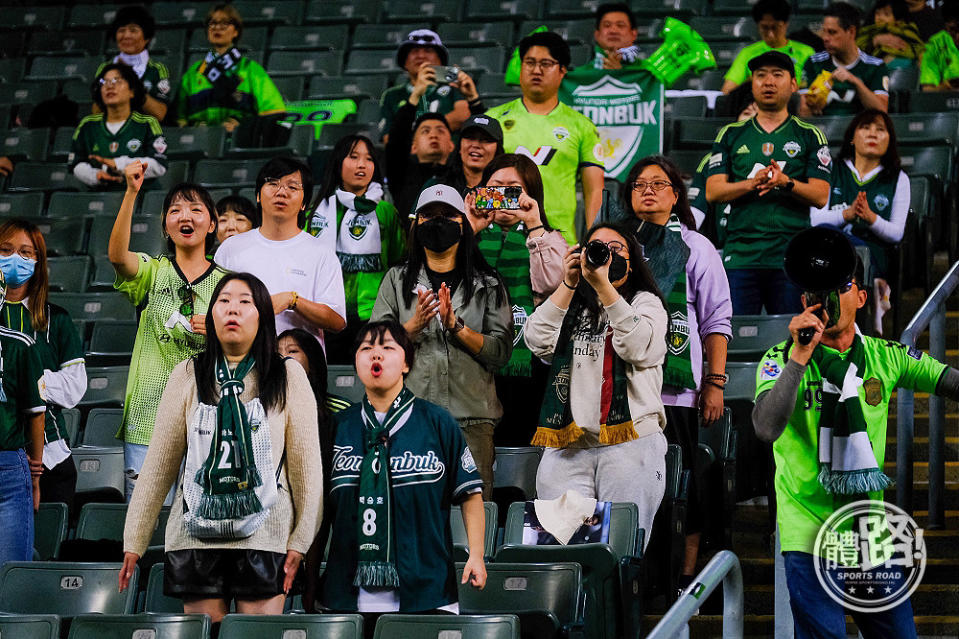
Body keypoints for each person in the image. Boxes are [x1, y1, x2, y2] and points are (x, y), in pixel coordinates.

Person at [752, 255, 959, 639]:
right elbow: (765, 427)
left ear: (862, 298)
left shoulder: (885, 357)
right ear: (805, 303)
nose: (830, 297)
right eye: (819, 290)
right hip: (807, 530)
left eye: (841, 287)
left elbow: (949, 380)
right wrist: (800, 355)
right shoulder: (780, 359)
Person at [119, 272, 322, 623]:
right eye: (224, 301)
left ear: (263, 316)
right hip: (195, 535)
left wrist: (300, 541)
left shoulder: (287, 375)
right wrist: (134, 541)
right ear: (211, 315)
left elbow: (307, 470)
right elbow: (158, 465)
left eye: (245, 302)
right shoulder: (186, 374)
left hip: (266, 535)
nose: (233, 309)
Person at [315, 320, 486, 628]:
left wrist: (476, 554)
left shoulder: (438, 423)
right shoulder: (336, 428)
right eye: (366, 348)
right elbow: (319, 510)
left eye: (387, 348)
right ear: (355, 362)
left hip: (427, 590)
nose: (375, 355)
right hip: (346, 593)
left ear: (407, 363)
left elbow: (470, 493)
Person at [621, 156, 732, 589]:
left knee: (685, 488)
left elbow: (716, 320)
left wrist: (715, 383)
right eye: (639, 184)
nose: (648, 190)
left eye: (659, 184)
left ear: (675, 195)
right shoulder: (615, 245)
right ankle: (638, 579)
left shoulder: (696, 247)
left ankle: (684, 577)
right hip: (625, 391)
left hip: (678, 394)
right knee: (632, 489)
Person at [524, 222, 668, 552]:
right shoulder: (570, 304)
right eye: (597, 247)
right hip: (568, 443)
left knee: (619, 552)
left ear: (633, 261)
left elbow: (637, 347)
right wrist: (568, 282)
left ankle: (616, 606)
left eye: (617, 248)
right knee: (560, 550)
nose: (606, 255)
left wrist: (605, 288)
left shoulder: (647, 303)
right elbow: (536, 340)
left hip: (631, 441)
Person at [371, 185, 511, 499]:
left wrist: (457, 327)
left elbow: (501, 353)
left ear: (463, 223)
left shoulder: (488, 283)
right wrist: (413, 326)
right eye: (429, 216)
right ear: (415, 224)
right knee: (411, 514)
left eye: (447, 215)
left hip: (473, 420)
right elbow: (375, 352)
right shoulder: (395, 279)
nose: (438, 222)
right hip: (409, 418)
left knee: (472, 519)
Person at [110, 160, 226, 499]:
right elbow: (118, 256)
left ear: (212, 225)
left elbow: (245, 345)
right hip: (148, 414)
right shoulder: (153, 271)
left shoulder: (228, 284)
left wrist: (219, 334)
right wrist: (132, 192)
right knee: (144, 515)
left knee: (199, 517)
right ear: (165, 226)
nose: (185, 217)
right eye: (175, 211)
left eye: (195, 210)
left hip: (207, 415)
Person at [705, 51, 831, 315]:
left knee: (788, 340)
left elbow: (821, 195)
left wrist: (785, 182)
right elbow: (713, 191)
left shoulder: (810, 135)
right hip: (740, 255)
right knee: (736, 339)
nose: (768, 82)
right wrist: (751, 184)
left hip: (791, 256)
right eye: (760, 76)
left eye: (777, 75)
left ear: (794, 85)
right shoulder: (731, 133)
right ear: (752, 84)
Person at [465, 154, 567, 446]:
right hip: (473, 359)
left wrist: (534, 225)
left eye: (514, 189)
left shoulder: (549, 238)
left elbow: (553, 282)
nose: (504, 196)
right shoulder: (465, 235)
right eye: (495, 187)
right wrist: (469, 227)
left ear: (530, 194)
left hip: (529, 364)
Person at [0, 220, 87, 513]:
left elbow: (74, 387)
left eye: (25, 253)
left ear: (38, 261)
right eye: (6, 250)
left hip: (51, 460)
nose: (15, 259)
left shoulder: (57, 319)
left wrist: (25, 380)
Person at [486, 31, 605, 243]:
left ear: (562, 71)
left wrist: (597, 239)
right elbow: (479, 180)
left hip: (558, 240)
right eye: (529, 62)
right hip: (497, 238)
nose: (536, 70)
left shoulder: (582, 126)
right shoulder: (492, 119)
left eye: (546, 63)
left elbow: (594, 191)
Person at [215, 157, 347, 348]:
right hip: (240, 360)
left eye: (292, 187)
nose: (281, 192)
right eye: (273, 183)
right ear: (258, 196)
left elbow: (337, 321)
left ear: (304, 204)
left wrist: (293, 301)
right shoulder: (231, 248)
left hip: (300, 365)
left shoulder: (320, 253)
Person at [304, 135, 406, 363]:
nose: (362, 164)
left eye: (368, 159)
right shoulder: (317, 211)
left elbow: (398, 264)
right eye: (353, 157)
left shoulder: (386, 212)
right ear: (338, 162)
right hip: (326, 315)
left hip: (374, 315)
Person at [811, 109, 908, 333]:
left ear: (890, 140)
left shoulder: (898, 178)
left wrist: (870, 217)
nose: (873, 134)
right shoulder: (831, 170)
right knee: (824, 233)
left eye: (880, 130)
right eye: (865, 128)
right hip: (831, 248)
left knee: (856, 253)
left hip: (874, 254)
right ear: (852, 138)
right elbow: (815, 219)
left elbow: (897, 233)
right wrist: (848, 213)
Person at [0, 268, 47, 567]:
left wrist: (35, 477)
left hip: (7, 468)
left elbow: (36, 414)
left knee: (10, 573)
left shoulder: (21, 344)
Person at [176, 3, 285, 132]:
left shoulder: (250, 69)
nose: (217, 28)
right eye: (212, 23)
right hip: (200, 143)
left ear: (235, 31)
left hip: (237, 144)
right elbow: (177, 119)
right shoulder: (193, 73)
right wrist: (193, 128)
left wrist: (242, 126)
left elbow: (274, 112)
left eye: (224, 24)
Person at [71, 63, 168, 189]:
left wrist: (119, 164)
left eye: (117, 80)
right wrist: (95, 176)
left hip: (140, 196)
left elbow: (159, 165)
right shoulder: (88, 125)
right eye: (104, 82)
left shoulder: (147, 123)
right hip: (100, 196)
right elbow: (76, 163)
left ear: (132, 91)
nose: (109, 86)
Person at [378, 29, 472, 142]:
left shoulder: (454, 85)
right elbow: (389, 139)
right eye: (414, 51)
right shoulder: (391, 95)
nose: (421, 56)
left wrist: (410, 132)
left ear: (440, 61)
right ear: (405, 63)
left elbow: (462, 116)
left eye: (428, 50)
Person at [800, 2, 890, 116]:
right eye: (824, 31)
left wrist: (856, 82)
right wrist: (813, 105)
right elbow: (803, 113)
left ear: (851, 32)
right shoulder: (814, 63)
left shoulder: (875, 66)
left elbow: (882, 111)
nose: (825, 38)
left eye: (832, 32)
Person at [722, 0, 816, 94]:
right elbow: (727, 91)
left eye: (775, 27)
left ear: (786, 24)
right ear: (758, 25)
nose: (770, 34)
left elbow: (816, 88)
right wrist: (750, 83)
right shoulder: (747, 53)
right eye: (765, 28)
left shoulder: (806, 52)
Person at [96, 5, 171, 121]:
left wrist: (132, 83)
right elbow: (96, 112)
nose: (126, 36)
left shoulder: (157, 70)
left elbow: (160, 114)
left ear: (147, 38)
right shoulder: (105, 68)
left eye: (133, 30)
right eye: (121, 30)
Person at [385, 108, 456, 220]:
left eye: (440, 131)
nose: (433, 135)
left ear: (452, 145)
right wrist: (413, 101)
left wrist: (473, 101)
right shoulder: (400, 175)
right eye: (425, 131)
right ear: (413, 147)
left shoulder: (459, 175)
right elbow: (396, 141)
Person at [431, 114, 505, 196]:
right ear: (459, 146)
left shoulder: (506, 189)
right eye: (470, 137)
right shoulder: (437, 186)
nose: (476, 145)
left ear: (497, 149)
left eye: (486, 140)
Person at [856, 0, 924, 69]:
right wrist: (874, 41)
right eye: (877, 13)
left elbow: (919, 47)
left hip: (903, 66)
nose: (880, 18)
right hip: (874, 67)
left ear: (898, 20)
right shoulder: (868, 31)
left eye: (886, 14)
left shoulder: (906, 30)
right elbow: (857, 50)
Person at [919, 4, 959, 91]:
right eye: (953, 30)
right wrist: (947, 86)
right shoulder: (934, 45)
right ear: (946, 26)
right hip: (945, 100)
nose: (958, 36)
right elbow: (928, 90)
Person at [592, 3, 642, 69]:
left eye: (620, 25)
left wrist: (620, 74)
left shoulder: (648, 74)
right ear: (597, 35)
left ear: (633, 34)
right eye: (607, 25)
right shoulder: (580, 75)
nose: (613, 31)